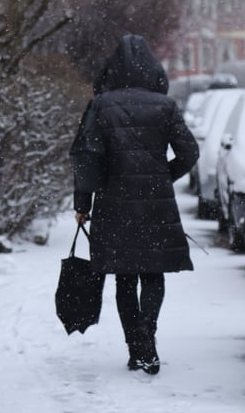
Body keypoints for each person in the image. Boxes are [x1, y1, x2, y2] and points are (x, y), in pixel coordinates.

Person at [72, 35, 199, 375]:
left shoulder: (101, 105)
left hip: (114, 204)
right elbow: (190, 152)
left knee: (124, 279)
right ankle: (148, 335)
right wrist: (162, 176)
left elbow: (86, 159)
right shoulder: (165, 106)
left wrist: (82, 203)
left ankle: (135, 347)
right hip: (156, 207)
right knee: (153, 274)